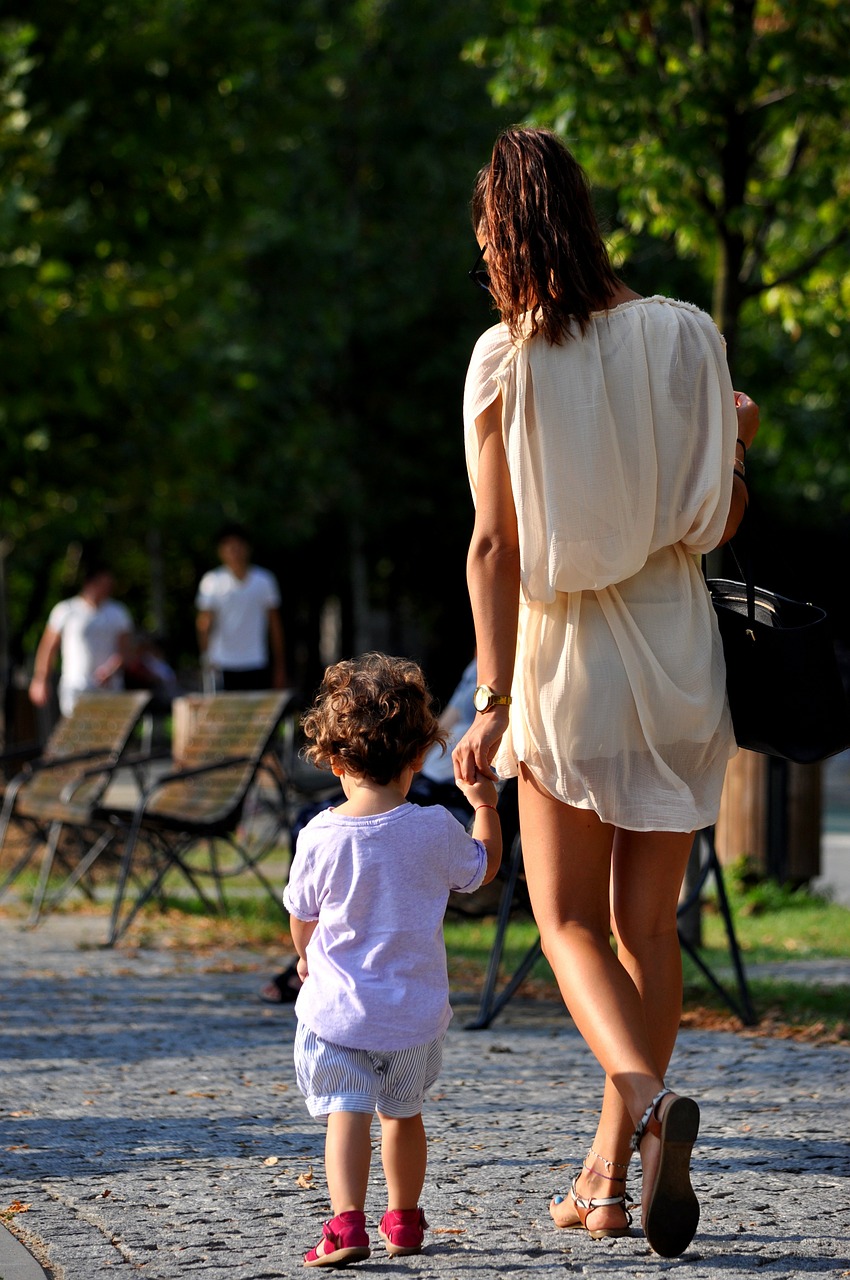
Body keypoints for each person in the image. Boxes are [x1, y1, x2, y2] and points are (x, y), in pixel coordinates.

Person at [452, 127, 759, 1259]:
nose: (482, 257)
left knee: (566, 917)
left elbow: (494, 546)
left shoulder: (507, 357)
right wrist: (740, 458)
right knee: (647, 927)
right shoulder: (687, 332)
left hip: (567, 648)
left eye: (485, 236)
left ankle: (643, 1089)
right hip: (679, 642)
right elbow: (719, 520)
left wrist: (488, 697)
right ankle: (610, 1178)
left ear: (512, 229)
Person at [283, 652, 502, 1267]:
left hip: (338, 1015)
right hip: (413, 1017)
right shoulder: (433, 827)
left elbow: (302, 914)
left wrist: (305, 958)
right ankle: (404, 1221)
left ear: (332, 759)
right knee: (403, 1116)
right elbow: (482, 869)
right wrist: (484, 807)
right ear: (417, 757)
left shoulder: (320, 835)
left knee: (345, 1115)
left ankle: (345, 1225)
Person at [28, 564, 134, 717]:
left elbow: (126, 650)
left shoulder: (118, 612)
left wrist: (113, 668)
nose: (107, 589)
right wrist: (40, 679)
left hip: (109, 689)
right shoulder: (66, 610)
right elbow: (48, 647)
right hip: (75, 687)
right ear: (89, 583)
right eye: (102, 584)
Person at [195, 524, 286, 691]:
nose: (234, 551)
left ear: (247, 548)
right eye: (228, 546)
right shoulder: (211, 581)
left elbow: (274, 625)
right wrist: (206, 658)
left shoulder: (264, 581)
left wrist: (280, 666)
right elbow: (204, 623)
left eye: (238, 546)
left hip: (255, 660)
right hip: (221, 663)